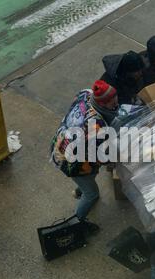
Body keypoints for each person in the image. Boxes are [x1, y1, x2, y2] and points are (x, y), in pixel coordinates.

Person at [50, 80, 119, 234]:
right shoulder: (95, 127)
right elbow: (102, 157)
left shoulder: (86, 94)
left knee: (90, 176)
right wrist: (115, 161)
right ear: (103, 103)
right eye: (112, 102)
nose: (116, 103)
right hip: (71, 161)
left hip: (61, 142)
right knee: (92, 194)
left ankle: (81, 189)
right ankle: (77, 224)